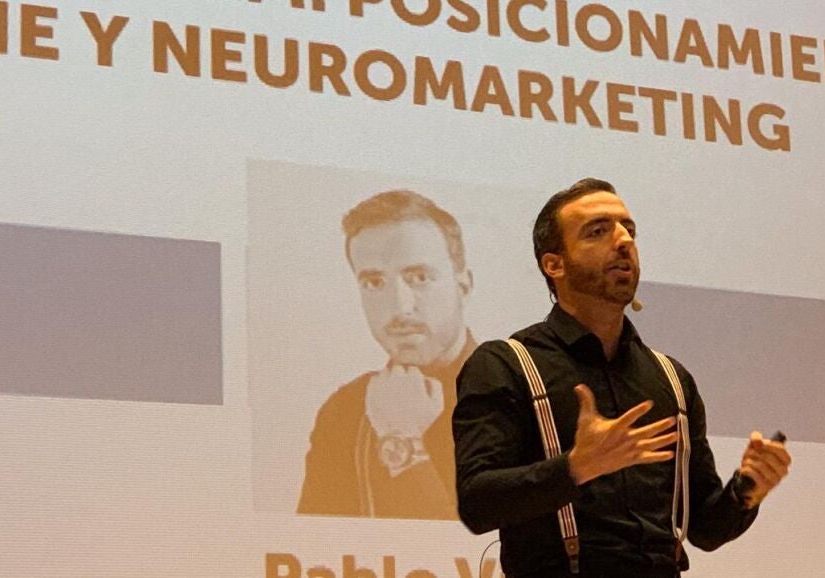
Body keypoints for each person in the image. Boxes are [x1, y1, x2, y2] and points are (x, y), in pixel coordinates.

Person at [453, 178, 791, 576]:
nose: (623, 241)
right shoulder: (506, 365)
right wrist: (575, 467)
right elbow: (477, 503)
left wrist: (746, 490)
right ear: (554, 264)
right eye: (598, 231)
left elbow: (703, 529)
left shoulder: (671, 379)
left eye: (628, 230)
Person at [298, 189, 477, 520]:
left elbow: (486, 545)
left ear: (463, 286)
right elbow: (316, 543)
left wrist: (403, 440)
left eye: (419, 278)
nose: (399, 306)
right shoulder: (346, 410)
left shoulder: (518, 395)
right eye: (374, 282)